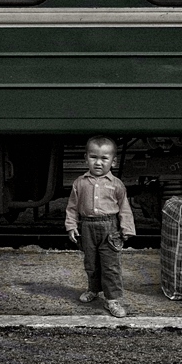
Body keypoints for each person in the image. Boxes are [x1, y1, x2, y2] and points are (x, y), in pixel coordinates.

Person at [65, 136, 136, 318]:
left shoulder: (116, 185)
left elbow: (124, 208)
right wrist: (71, 226)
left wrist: (127, 228)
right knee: (91, 263)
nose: (98, 162)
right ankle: (93, 289)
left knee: (110, 265)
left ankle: (112, 299)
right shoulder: (79, 183)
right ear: (85, 157)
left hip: (110, 229)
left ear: (113, 161)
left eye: (104, 158)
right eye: (93, 157)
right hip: (87, 227)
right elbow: (72, 207)